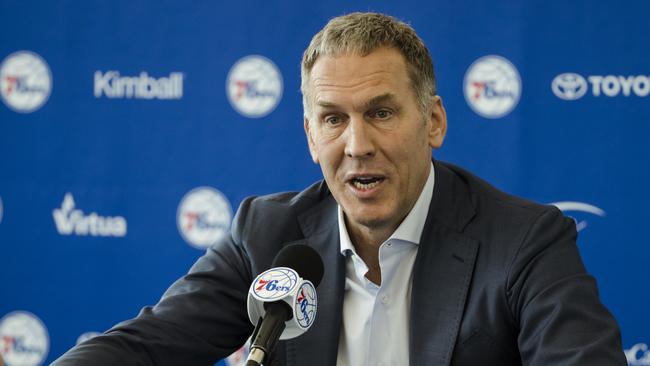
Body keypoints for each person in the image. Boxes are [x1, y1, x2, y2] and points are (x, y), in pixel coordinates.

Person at [53, 12, 626, 365]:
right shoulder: (268, 235)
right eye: (333, 118)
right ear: (309, 134)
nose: (356, 144)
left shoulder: (525, 241)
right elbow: (144, 348)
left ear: (434, 122)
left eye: (380, 112)